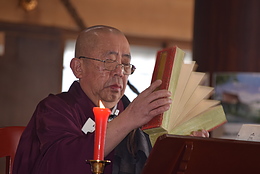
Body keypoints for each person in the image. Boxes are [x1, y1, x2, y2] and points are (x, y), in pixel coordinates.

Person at [13, 25, 208, 174]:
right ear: (78, 67)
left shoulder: (139, 115)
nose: (119, 72)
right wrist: (129, 119)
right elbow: (58, 165)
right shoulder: (55, 109)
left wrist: (183, 151)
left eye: (125, 64)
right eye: (108, 62)